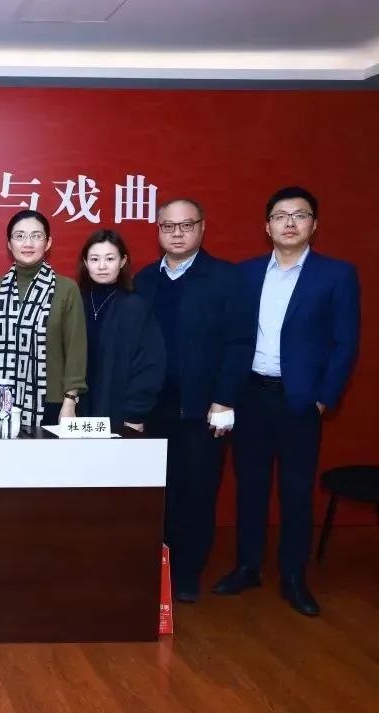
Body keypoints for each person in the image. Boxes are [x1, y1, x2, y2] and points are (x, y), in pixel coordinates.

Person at [213, 187, 360, 616]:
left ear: (314, 224)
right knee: (250, 488)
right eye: (280, 216)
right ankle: (248, 567)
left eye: (300, 215)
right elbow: (230, 336)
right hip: (250, 396)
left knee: (296, 492)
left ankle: (294, 577)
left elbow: (345, 343)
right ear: (267, 226)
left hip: (299, 401)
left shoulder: (336, 275)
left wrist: (324, 399)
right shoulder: (246, 273)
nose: (290, 223)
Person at [134, 198, 251, 603]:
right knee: (156, 494)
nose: (177, 233)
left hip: (203, 408)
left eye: (186, 225)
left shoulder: (226, 278)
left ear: (202, 227)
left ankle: (185, 575)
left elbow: (239, 344)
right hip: (153, 408)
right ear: (158, 231)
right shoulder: (145, 280)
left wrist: (224, 400)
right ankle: (156, 571)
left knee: (197, 493)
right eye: (168, 226)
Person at [0, 210, 86, 428]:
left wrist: (70, 401)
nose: (28, 243)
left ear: (48, 242)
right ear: (9, 243)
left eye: (36, 236)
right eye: (20, 236)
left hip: (52, 401)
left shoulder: (66, 289)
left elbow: (75, 349)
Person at [76, 229, 165, 430]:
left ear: (122, 261)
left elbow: (149, 365)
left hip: (120, 415)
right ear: (86, 262)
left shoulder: (134, 306)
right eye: (94, 259)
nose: (102, 266)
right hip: (77, 413)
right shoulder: (76, 302)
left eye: (110, 259)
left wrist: (135, 414)